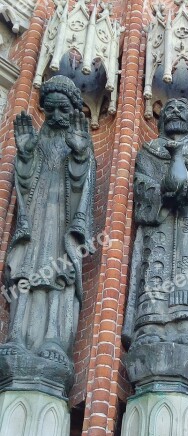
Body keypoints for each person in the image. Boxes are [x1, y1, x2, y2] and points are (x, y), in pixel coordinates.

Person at [1, 75, 95, 389]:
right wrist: (26, 155)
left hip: (61, 224)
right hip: (37, 221)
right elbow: (25, 184)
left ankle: (54, 337)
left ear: (73, 110)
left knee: (59, 276)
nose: (56, 116)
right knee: (26, 273)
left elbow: (84, 184)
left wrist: (80, 155)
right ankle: (16, 335)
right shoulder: (39, 140)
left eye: (63, 110)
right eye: (50, 110)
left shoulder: (78, 141)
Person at [122, 98, 188, 356]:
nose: (175, 111)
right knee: (155, 265)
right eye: (169, 109)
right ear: (161, 121)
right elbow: (141, 185)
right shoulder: (149, 150)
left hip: (187, 224)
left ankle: (187, 325)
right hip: (159, 226)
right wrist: (162, 188)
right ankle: (150, 325)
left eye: (182, 108)